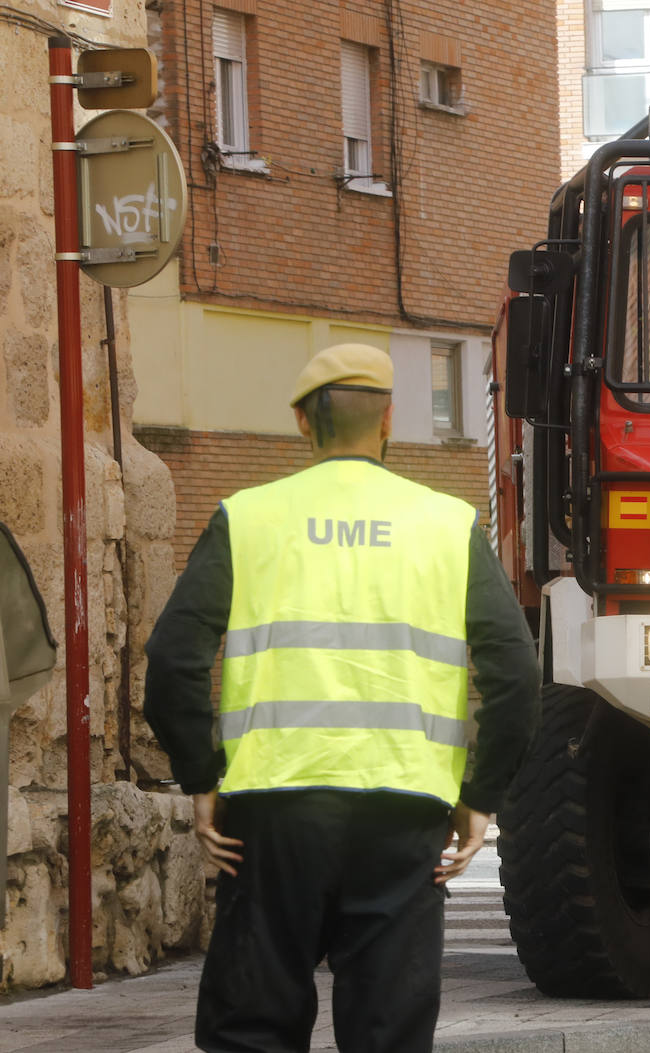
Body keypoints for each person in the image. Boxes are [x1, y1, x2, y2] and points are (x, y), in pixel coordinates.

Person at [144, 343, 540, 1053]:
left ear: (302, 421)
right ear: (388, 418)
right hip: (405, 815)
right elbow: (515, 672)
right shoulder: (447, 526)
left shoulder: (249, 518)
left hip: (270, 815)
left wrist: (202, 779)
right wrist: (480, 796)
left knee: (252, 1026)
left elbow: (173, 659)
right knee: (387, 1032)